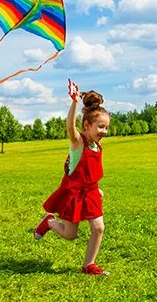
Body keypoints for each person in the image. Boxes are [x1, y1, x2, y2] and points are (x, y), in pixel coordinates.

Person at [34, 79, 110, 275]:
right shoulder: (79, 143)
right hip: (74, 193)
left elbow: (90, 171)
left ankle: (89, 265)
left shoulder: (97, 145)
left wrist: (96, 187)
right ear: (87, 125)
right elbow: (70, 128)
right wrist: (75, 102)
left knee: (98, 228)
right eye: (100, 127)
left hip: (91, 191)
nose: (104, 132)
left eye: (106, 127)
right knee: (70, 235)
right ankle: (50, 222)